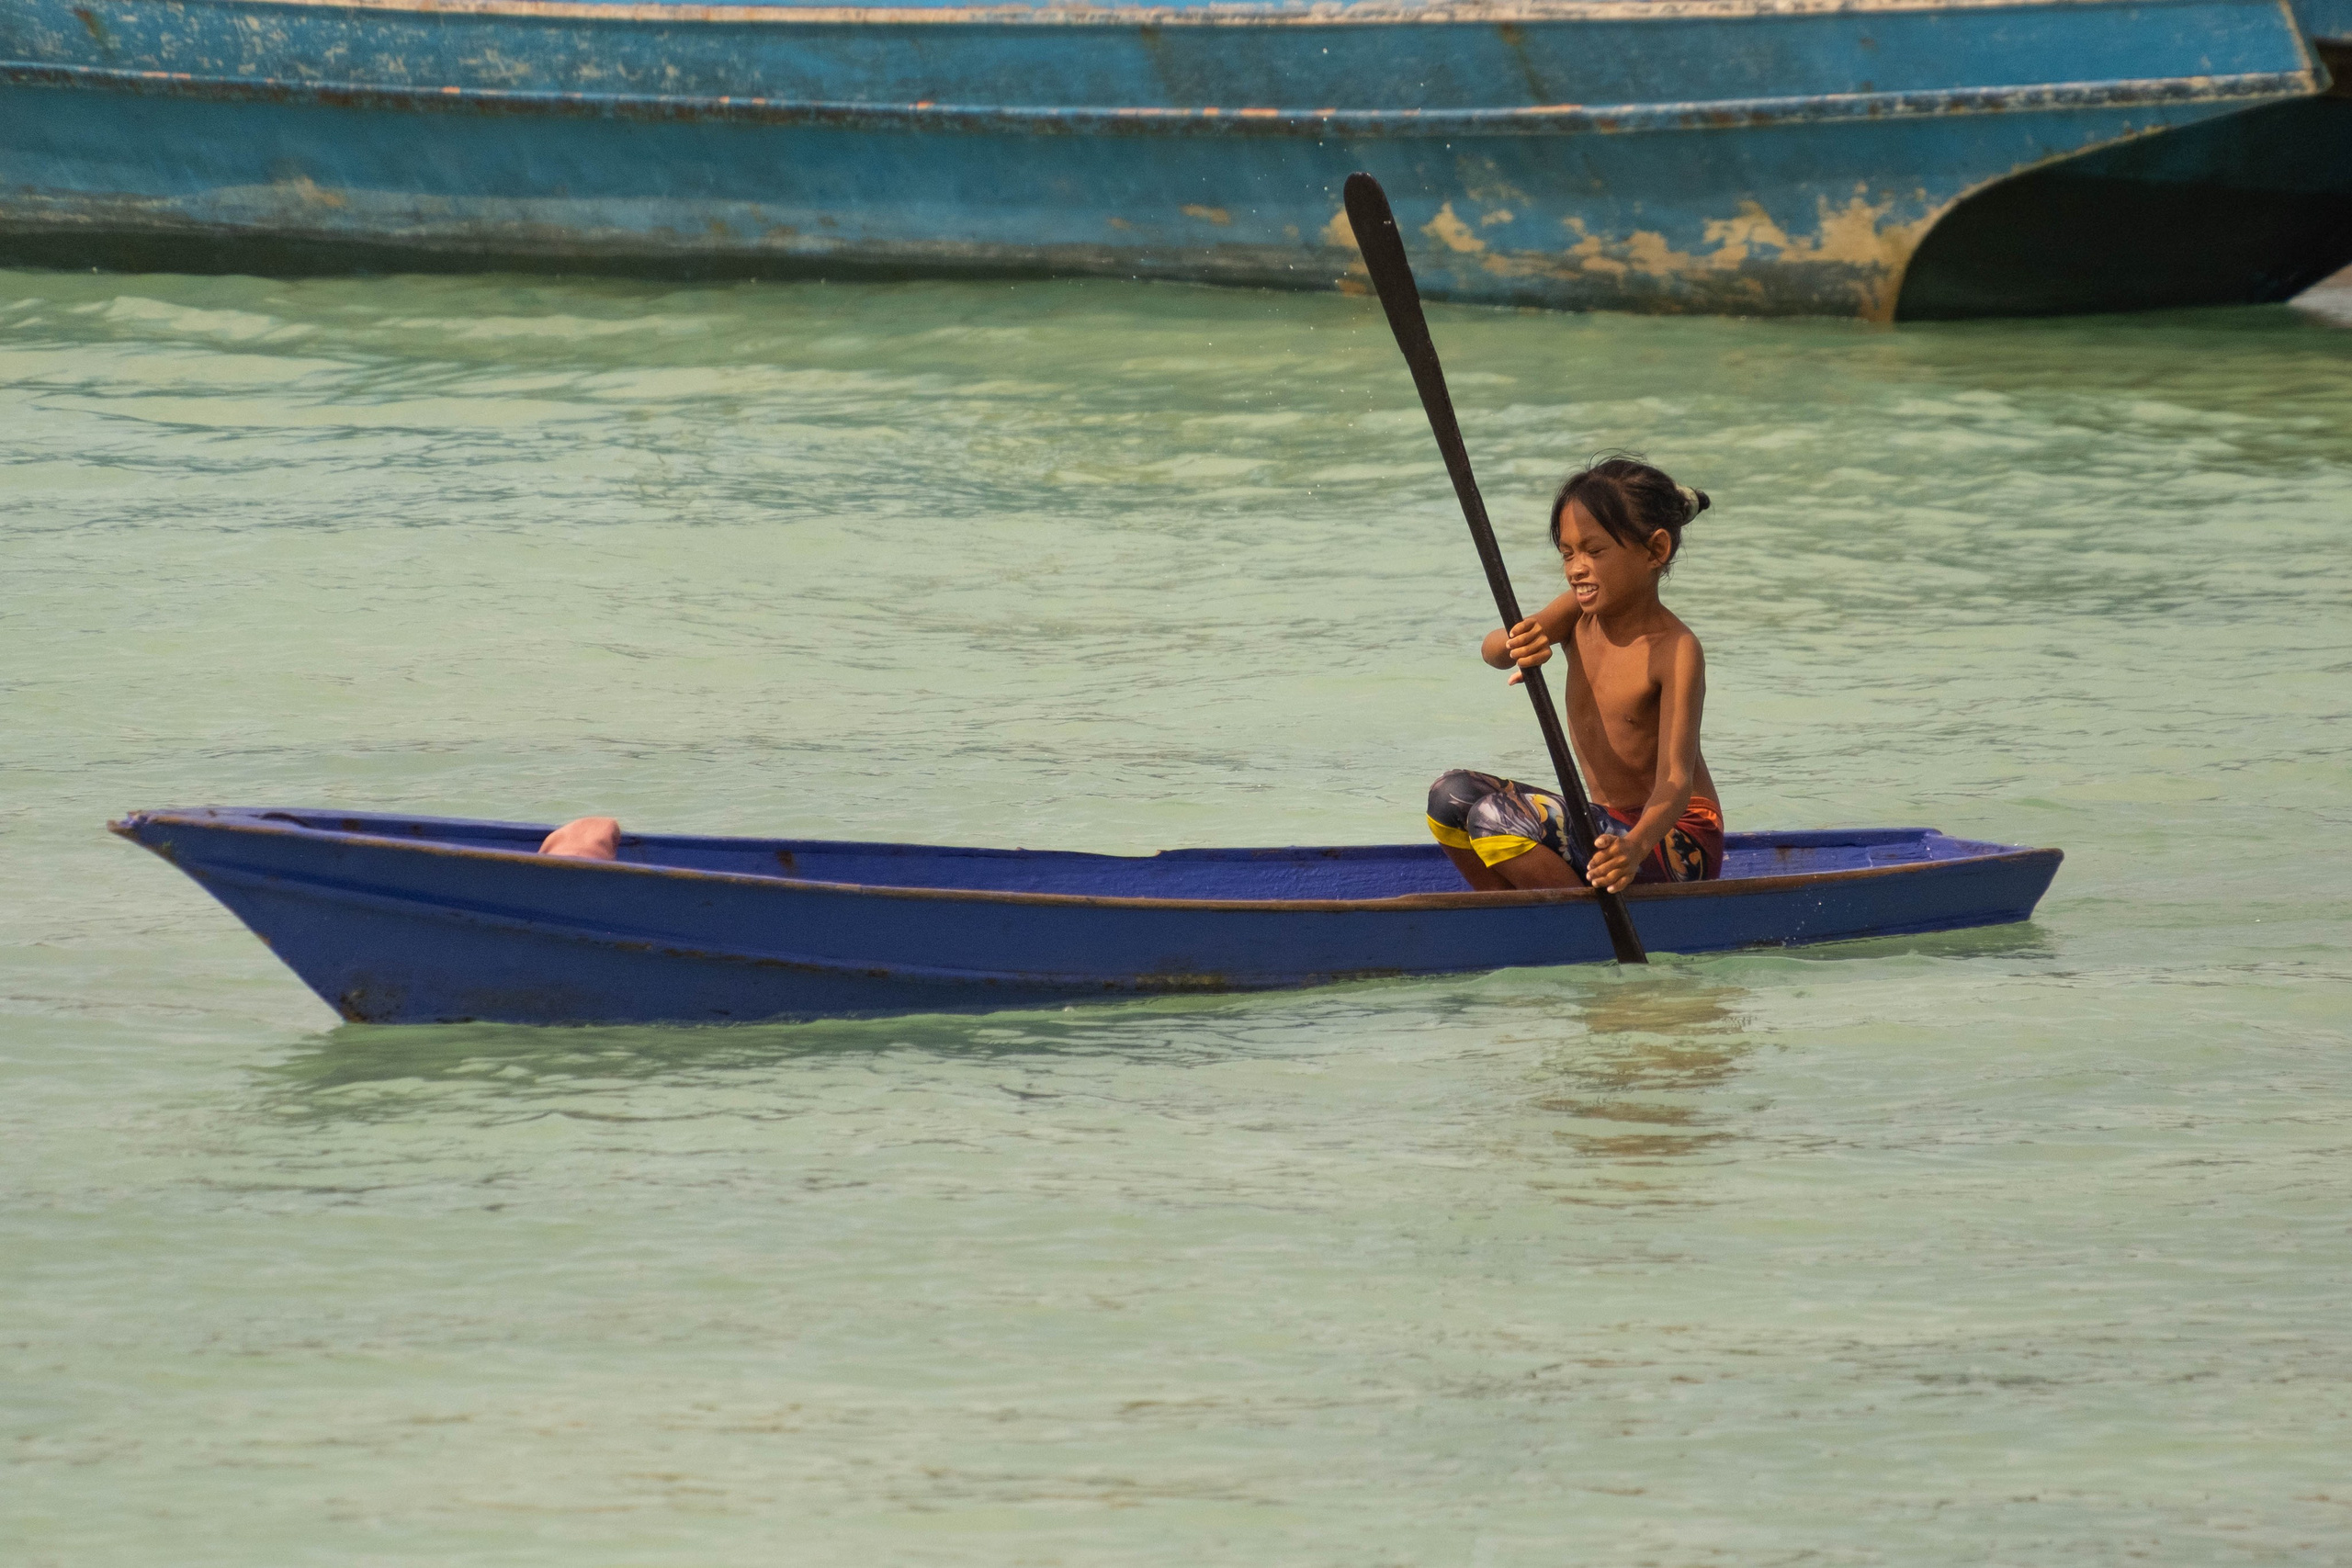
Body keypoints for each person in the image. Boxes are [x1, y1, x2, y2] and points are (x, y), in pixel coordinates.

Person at [1426, 455, 1724, 896]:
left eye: (1594, 551)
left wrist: (1634, 848)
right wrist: (1515, 643)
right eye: (1567, 553)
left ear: (1655, 551)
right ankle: (1509, 909)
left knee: (1499, 818)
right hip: (1607, 826)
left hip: (1673, 840)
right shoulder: (1576, 614)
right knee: (1448, 798)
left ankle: (1572, 923)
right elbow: (1494, 652)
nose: (1576, 567)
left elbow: (1676, 781)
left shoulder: (1675, 649)